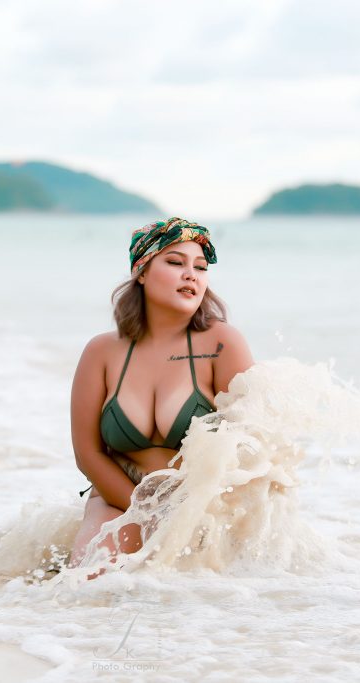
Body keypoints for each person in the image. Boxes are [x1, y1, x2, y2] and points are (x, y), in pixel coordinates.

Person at [67, 217, 254, 569]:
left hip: (194, 503)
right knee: (88, 577)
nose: (192, 275)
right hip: (117, 495)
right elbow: (88, 454)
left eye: (200, 267)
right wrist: (140, 511)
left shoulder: (221, 344)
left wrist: (183, 515)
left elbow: (251, 451)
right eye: (175, 262)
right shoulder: (102, 352)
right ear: (141, 271)